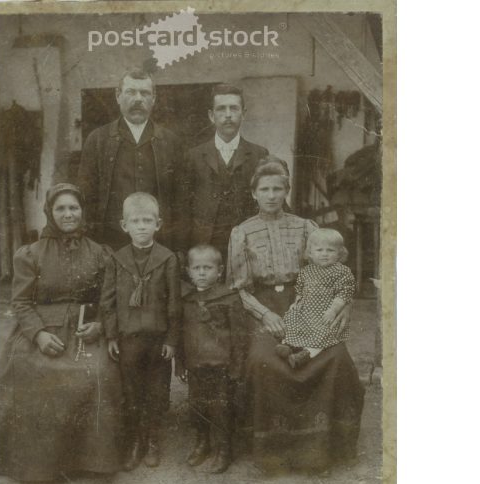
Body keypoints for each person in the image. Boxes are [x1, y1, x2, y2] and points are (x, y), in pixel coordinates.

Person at [226, 157, 364, 473]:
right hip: (263, 304)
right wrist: (264, 315)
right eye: (265, 189)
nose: (272, 195)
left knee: (334, 356)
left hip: (309, 300)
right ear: (254, 193)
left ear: (287, 190)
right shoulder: (242, 232)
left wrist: (342, 306)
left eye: (278, 188)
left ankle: (320, 449)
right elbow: (240, 287)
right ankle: (274, 452)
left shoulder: (306, 227)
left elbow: (335, 272)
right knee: (264, 360)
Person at [0, 183, 123, 482]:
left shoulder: (100, 253)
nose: (68, 214)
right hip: (41, 326)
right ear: (50, 213)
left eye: (74, 208)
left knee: (100, 372)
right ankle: (41, 465)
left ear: (82, 211)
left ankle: (89, 461)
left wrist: (101, 325)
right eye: (61, 209)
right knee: (33, 370)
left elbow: (110, 299)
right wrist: (38, 334)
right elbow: (22, 302)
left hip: (84, 327)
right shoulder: (30, 254)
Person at [100, 193, 181, 471]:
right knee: (132, 391)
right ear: (125, 225)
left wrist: (172, 339)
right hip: (128, 338)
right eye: (136, 221)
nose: (142, 226)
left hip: (158, 339)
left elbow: (173, 302)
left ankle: (154, 440)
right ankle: (136, 440)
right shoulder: (117, 259)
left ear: (158, 224)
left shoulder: (167, 259)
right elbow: (108, 302)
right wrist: (111, 336)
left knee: (157, 391)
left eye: (148, 221)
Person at [77, 68, 183, 251]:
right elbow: (85, 196)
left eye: (144, 93)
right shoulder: (98, 140)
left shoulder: (171, 141)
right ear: (118, 96)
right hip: (111, 242)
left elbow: (180, 201)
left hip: (160, 243)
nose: (138, 99)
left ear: (154, 99)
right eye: (131, 92)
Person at [175, 245, 248, 473]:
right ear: (188, 270)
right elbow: (180, 334)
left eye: (208, 267)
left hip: (222, 366)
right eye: (197, 268)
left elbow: (239, 335)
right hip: (196, 364)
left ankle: (224, 449)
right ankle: (202, 442)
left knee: (221, 408)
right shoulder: (186, 299)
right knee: (197, 406)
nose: (202, 273)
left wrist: (237, 367)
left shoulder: (229, 298)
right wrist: (180, 363)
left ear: (220, 270)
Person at [181, 84, 269, 260]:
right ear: (211, 116)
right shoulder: (193, 156)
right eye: (221, 109)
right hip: (204, 245)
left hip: (246, 244)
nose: (228, 115)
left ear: (243, 114)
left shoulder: (259, 154)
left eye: (234, 108)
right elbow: (183, 207)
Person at [275, 228, 356, 368]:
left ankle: (307, 354)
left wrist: (333, 310)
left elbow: (344, 294)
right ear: (310, 253)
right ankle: (288, 345)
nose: (324, 254)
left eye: (330, 251)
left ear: (340, 253)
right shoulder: (307, 271)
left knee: (324, 332)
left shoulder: (342, 271)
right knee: (292, 320)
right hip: (307, 310)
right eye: (319, 250)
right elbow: (300, 289)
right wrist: (297, 303)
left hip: (326, 312)